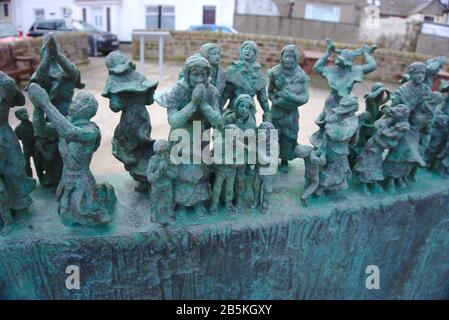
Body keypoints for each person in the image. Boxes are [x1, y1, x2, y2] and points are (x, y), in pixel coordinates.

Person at [28, 83, 116, 227]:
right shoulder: (66, 122)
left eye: (76, 102)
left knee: (83, 212)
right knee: (66, 211)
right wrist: (37, 107)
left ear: (86, 108)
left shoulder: (90, 131)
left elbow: (68, 132)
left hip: (82, 179)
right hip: (67, 176)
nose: (72, 103)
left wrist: (46, 104)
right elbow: (41, 130)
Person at [156, 54, 222, 216]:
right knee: (181, 170)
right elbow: (174, 120)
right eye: (195, 74)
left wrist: (203, 104)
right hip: (181, 134)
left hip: (202, 133)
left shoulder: (211, 91)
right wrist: (193, 104)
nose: (199, 79)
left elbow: (217, 120)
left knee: (201, 171)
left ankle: (198, 201)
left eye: (203, 75)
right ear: (187, 74)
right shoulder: (178, 90)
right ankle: (180, 203)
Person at [28, 34, 84, 187]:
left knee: (71, 153)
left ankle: (70, 180)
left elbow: (73, 73)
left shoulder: (67, 73)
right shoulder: (41, 75)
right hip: (50, 121)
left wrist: (57, 55)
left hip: (69, 118)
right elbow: (41, 79)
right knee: (53, 155)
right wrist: (47, 57)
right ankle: (55, 179)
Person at [102, 51, 159, 193]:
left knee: (131, 150)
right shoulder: (138, 76)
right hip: (144, 119)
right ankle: (145, 179)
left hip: (129, 121)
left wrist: (117, 96)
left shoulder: (113, 80)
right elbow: (149, 101)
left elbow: (115, 107)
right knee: (142, 147)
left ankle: (145, 179)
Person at [0, 71, 36, 222]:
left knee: (15, 169)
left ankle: (20, 206)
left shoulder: (5, 84)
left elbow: (19, 100)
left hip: (4, 132)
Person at [268, 45, 310, 173]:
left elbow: (304, 97)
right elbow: (270, 91)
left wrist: (289, 96)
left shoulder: (300, 75)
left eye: (291, 57)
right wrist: (275, 100)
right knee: (273, 136)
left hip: (291, 113)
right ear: (281, 57)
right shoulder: (274, 72)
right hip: (276, 111)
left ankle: (285, 160)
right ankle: (272, 159)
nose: (288, 59)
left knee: (289, 137)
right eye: (285, 56)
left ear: (296, 58)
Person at [222, 41, 271, 121]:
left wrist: (267, 111)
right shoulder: (232, 69)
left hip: (249, 108)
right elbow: (225, 94)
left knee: (249, 130)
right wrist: (218, 109)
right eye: (246, 48)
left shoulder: (258, 72)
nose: (248, 51)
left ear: (255, 53)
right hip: (233, 108)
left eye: (251, 50)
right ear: (241, 50)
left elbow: (263, 97)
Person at [147, 140, 178, 224]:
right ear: (156, 151)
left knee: (169, 198)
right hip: (156, 185)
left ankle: (170, 210)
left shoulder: (170, 159)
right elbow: (150, 177)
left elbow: (175, 174)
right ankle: (153, 212)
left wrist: (167, 171)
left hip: (167, 184)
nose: (163, 154)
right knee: (155, 199)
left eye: (165, 151)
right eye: (160, 152)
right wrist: (159, 171)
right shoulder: (153, 160)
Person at [14, 108, 37, 177]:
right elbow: (18, 137)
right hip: (26, 148)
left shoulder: (34, 124)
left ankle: (41, 177)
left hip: (35, 147)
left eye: (25, 112)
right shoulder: (18, 128)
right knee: (26, 164)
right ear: (18, 117)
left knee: (38, 163)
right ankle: (30, 178)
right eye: (21, 113)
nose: (24, 114)